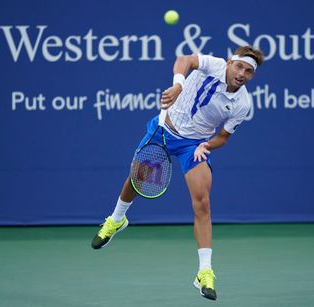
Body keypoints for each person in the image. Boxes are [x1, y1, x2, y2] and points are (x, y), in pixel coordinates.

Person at [91, 45, 264, 301]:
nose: (242, 73)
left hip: (193, 146)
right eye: (239, 66)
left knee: (202, 203)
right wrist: (179, 85)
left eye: (249, 71)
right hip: (164, 130)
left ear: (252, 76)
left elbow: (224, 137)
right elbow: (185, 59)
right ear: (229, 63)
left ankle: (204, 271)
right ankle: (117, 219)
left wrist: (207, 145)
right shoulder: (214, 64)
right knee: (137, 180)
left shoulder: (242, 103)